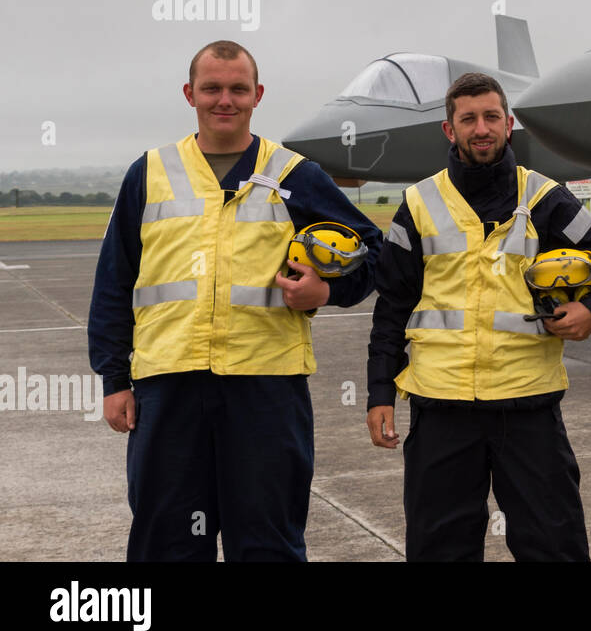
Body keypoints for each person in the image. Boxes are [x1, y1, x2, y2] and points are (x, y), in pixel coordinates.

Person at [89, 40, 382, 561]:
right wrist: (115, 380)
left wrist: (327, 291)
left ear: (257, 94)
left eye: (238, 89)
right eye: (212, 88)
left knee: (267, 540)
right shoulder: (149, 172)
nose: (225, 99)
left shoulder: (295, 175)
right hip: (168, 386)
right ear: (190, 94)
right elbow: (115, 281)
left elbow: (372, 254)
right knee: (168, 541)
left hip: (266, 387)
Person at [366, 72, 591, 562]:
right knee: (439, 549)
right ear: (450, 129)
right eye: (468, 119)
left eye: (491, 117)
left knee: (555, 546)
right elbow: (392, 306)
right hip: (440, 408)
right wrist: (379, 392)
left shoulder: (544, 199)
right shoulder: (419, 205)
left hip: (527, 408)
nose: (481, 128)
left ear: (509, 125)